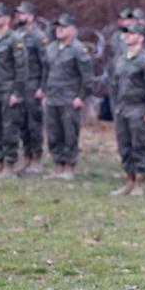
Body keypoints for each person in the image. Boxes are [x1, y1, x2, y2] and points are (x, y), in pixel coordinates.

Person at [109, 22, 145, 196]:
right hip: (122, 108)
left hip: (138, 108)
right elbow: (115, 84)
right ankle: (128, 180)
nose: (127, 36)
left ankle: (140, 181)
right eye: (126, 33)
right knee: (124, 146)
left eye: (131, 33)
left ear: (141, 37)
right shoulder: (122, 58)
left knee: (139, 146)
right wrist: (115, 106)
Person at [43, 13, 91, 180]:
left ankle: (69, 166)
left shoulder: (78, 49)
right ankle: (57, 164)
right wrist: (43, 90)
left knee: (69, 132)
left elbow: (87, 77)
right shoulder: (51, 48)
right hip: (52, 96)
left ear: (72, 29)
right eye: (58, 27)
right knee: (54, 133)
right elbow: (46, 71)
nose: (59, 30)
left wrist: (81, 96)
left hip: (69, 97)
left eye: (63, 27)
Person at [0, 3, 28, 179]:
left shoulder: (14, 39)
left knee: (9, 127)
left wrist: (17, 92)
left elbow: (21, 68)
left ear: (7, 19)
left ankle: (9, 163)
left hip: (7, 89)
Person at [14, 0, 48, 174]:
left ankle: (36, 158)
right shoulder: (17, 35)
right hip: (19, 85)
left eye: (23, 13)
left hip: (33, 84)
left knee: (34, 123)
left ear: (31, 16)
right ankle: (26, 156)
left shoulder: (38, 37)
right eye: (18, 13)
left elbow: (46, 63)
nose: (19, 16)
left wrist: (43, 87)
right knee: (22, 122)